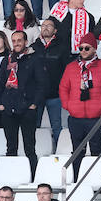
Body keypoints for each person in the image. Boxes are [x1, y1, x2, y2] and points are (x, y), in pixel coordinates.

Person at [59, 34, 101, 176]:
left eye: (87, 48)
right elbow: (63, 88)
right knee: (77, 151)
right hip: (75, 117)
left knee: (97, 150)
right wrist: (68, 105)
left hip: (96, 118)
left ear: (94, 49)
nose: (83, 51)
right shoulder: (71, 67)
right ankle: (78, 179)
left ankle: (96, 179)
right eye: (81, 48)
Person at [0, 31, 45, 175]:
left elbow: (42, 84)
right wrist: (0, 104)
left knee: (30, 147)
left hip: (27, 109)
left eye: (19, 40)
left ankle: (33, 178)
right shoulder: (7, 60)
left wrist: (34, 104)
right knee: (11, 147)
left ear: (26, 42)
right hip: (8, 109)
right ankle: (11, 177)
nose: (16, 43)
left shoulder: (34, 59)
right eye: (14, 41)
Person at [34, 17, 69, 150]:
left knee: (56, 126)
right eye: (43, 25)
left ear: (55, 30)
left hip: (55, 94)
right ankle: (36, 149)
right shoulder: (33, 47)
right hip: (37, 95)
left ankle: (60, 151)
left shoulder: (62, 47)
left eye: (49, 25)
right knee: (34, 125)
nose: (45, 27)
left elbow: (66, 71)